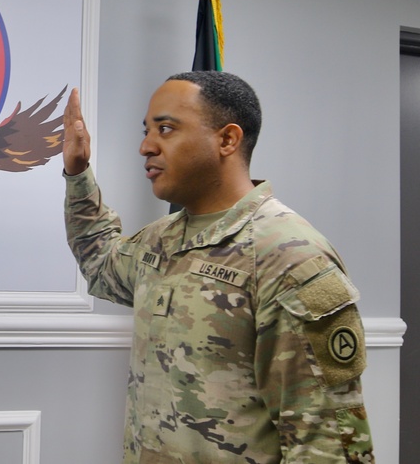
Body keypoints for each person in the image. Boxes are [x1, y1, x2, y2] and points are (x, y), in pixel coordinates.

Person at [62, 72, 374, 463]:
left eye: (166, 128)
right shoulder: (162, 240)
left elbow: (327, 443)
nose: (145, 146)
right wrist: (77, 173)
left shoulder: (289, 257)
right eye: (147, 131)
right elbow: (100, 261)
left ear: (227, 139)